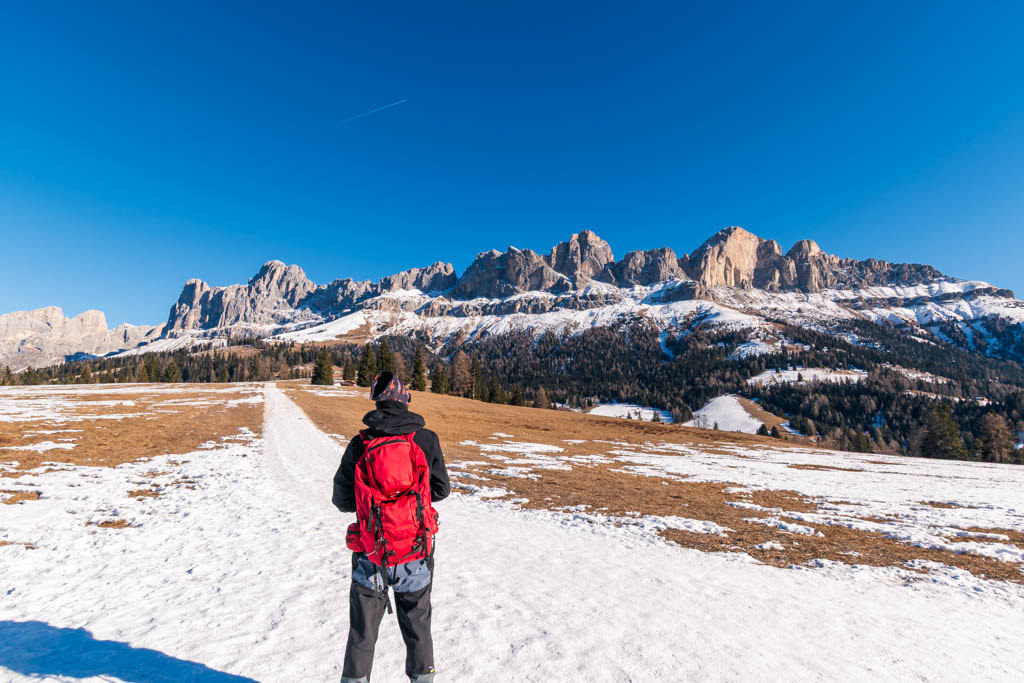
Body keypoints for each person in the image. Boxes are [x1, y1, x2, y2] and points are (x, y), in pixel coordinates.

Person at [333, 371, 450, 683]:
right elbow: (441, 490)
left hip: (372, 552)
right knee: (418, 626)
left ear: (376, 399)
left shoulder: (361, 443)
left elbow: (341, 500)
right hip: (415, 550)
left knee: (362, 631)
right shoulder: (425, 439)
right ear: (405, 399)